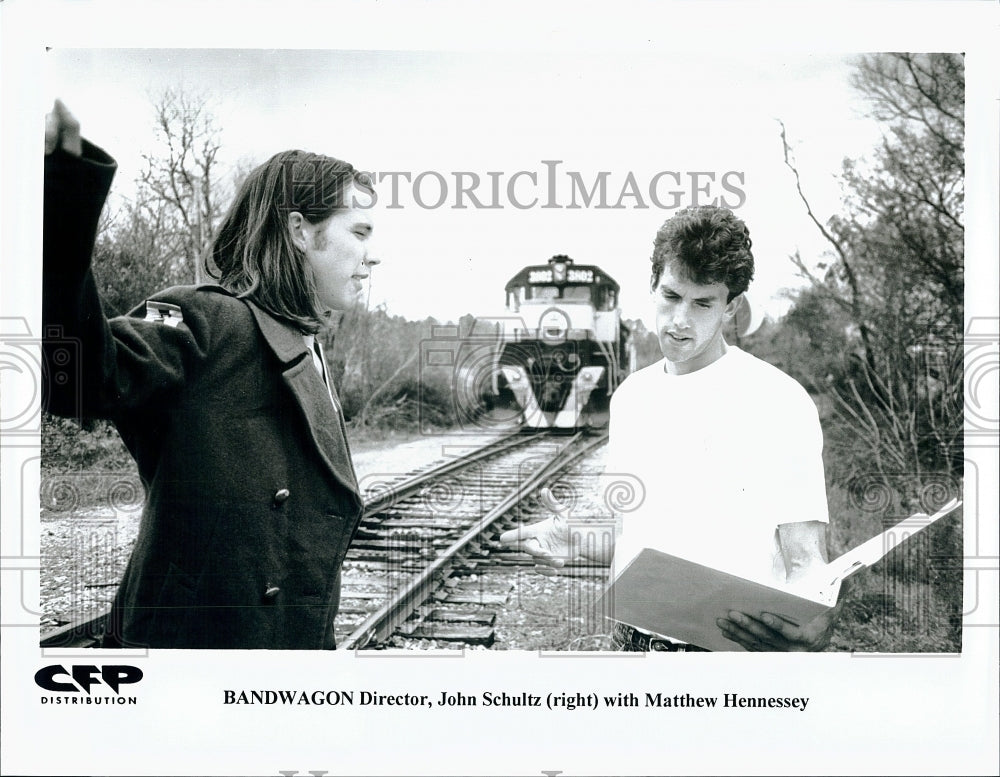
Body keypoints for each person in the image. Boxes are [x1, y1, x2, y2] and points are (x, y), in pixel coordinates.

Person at [42, 100, 379, 649]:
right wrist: (61, 195)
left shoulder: (303, 343)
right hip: (185, 672)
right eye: (360, 232)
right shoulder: (211, 321)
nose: (373, 256)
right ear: (299, 230)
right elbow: (75, 373)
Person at [500, 205, 840, 651]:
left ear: (731, 307)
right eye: (671, 296)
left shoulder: (778, 399)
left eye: (703, 303)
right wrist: (577, 539)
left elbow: (808, 561)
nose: (680, 320)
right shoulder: (631, 398)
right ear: (653, 287)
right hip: (631, 645)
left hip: (729, 655)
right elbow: (643, 538)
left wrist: (818, 617)